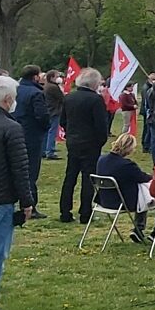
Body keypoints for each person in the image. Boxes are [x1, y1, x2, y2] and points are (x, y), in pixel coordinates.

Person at [0, 74, 34, 310]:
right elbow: (20, 168)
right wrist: (27, 201)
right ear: (8, 100)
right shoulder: (11, 128)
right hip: (0, 199)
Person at [59, 68, 110, 224]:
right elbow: (101, 125)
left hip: (73, 141)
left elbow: (63, 121)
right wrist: (100, 141)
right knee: (88, 178)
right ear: (95, 83)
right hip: (90, 143)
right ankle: (85, 212)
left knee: (70, 176)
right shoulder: (96, 100)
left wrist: (71, 133)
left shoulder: (69, 98)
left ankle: (65, 211)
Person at [95, 134, 155, 243]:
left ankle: (139, 229)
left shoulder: (102, 160)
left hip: (104, 200)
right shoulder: (127, 165)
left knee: (141, 191)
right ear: (129, 148)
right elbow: (142, 177)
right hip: (122, 202)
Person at [13, 65, 50, 217]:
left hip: (15, 132)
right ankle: (30, 204)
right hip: (32, 135)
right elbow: (41, 115)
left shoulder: (16, 90)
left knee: (17, 168)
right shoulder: (36, 93)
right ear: (35, 77)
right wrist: (45, 127)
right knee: (31, 171)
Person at [43, 70, 64, 161]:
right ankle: (50, 151)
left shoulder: (47, 86)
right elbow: (61, 98)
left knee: (47, 131)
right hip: (54, 111)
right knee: (52, 131)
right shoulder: (53, 87)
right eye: (56, 76)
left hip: (48, 110)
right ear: (51, 77)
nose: (58, 78)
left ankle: (45, 150)